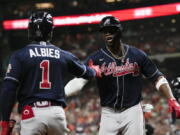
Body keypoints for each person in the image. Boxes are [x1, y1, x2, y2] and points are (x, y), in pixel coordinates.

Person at [65, 16, 180, 135]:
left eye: (111, 30)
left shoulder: (137, 55)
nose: (108, 33)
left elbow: (157, 77)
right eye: (105, 31)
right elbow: (79, 81)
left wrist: (171, 99)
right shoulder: (95, 58)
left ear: (119, 31)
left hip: (132, 111)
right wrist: (62, 94)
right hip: (109, 113)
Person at [0, 11, 101, 135]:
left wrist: (5, 121)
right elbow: (87, 74)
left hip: (32, 114)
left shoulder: (20, 55)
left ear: (30, 30)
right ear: (50, 31)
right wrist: (94, 71)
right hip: (57, 114)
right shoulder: (64, 55)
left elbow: (8, 89)